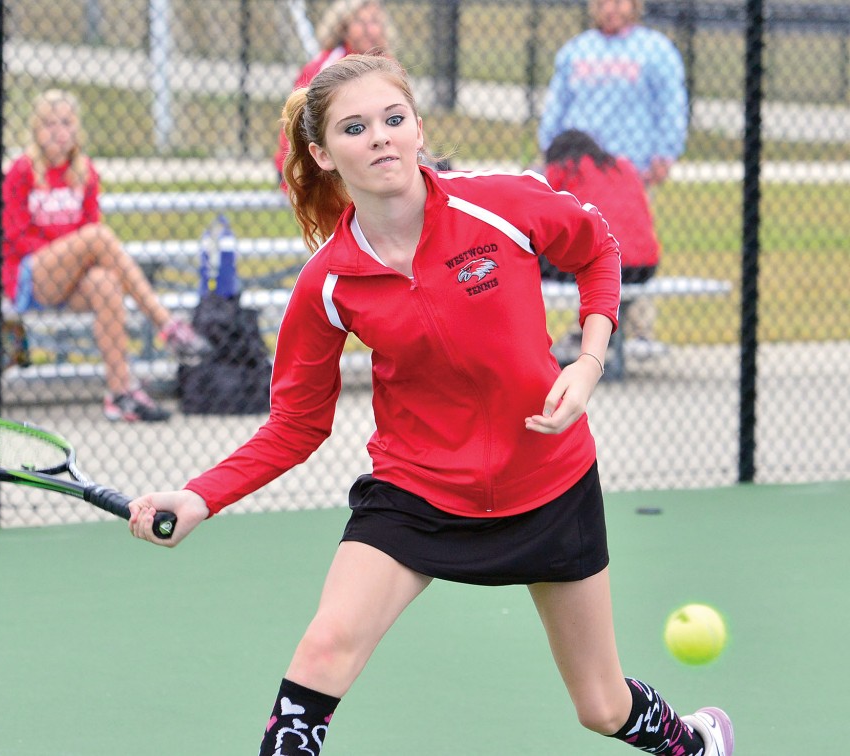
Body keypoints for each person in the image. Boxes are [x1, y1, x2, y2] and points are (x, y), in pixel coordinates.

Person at [128, 55, 734, 756]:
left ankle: (692, 743)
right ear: (323, 154)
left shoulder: (497, 204)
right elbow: (296, 424)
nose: (380, 137)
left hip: (549, 484)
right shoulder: (328, 284)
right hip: (416, 491)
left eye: (393, 119)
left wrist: (589, 360)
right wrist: (201, 496)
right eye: (355, 128)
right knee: (323, 650)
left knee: (600, 706)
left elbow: (597, 248)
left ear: (417, 128)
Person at [2, 89, 200, 423]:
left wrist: (75, 255)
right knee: (96, 237)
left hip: (73, 278)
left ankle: (120, 392)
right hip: (32, 277)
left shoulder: (84, 171)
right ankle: (165, 323)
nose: (58, 130)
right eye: (49, 123)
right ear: (36, 130)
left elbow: (89, 240)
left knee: (107, 282)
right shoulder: (21, 171)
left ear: (76, 128)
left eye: (65, 122)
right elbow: (16, 237)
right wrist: (69, 252)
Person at [538, 0, 687, 359]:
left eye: (620, 1)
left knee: (627, 240)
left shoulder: (654, 49)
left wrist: (665, 151)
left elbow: (672, 103)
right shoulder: (577, 50)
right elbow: (557, 105)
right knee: (582, 245)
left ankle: (638, 331)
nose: (612, 8)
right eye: (604, 2)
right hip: (577, 171)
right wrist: (548, 150)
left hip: (629, 170)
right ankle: (585, 327)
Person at [540, 129, 661, 365]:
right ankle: (589, 335)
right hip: (644, 266)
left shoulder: (565, 168)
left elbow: (545, 217)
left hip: (605, 260)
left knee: (532, 254)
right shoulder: (623, 166)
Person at [272, 0, 394, 184]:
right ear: (343, 27)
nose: (371, 30)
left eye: (375, 22)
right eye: (361, 23)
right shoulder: (328, 66)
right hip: (318, 165)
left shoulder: (387, 66)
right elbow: (299, 128)